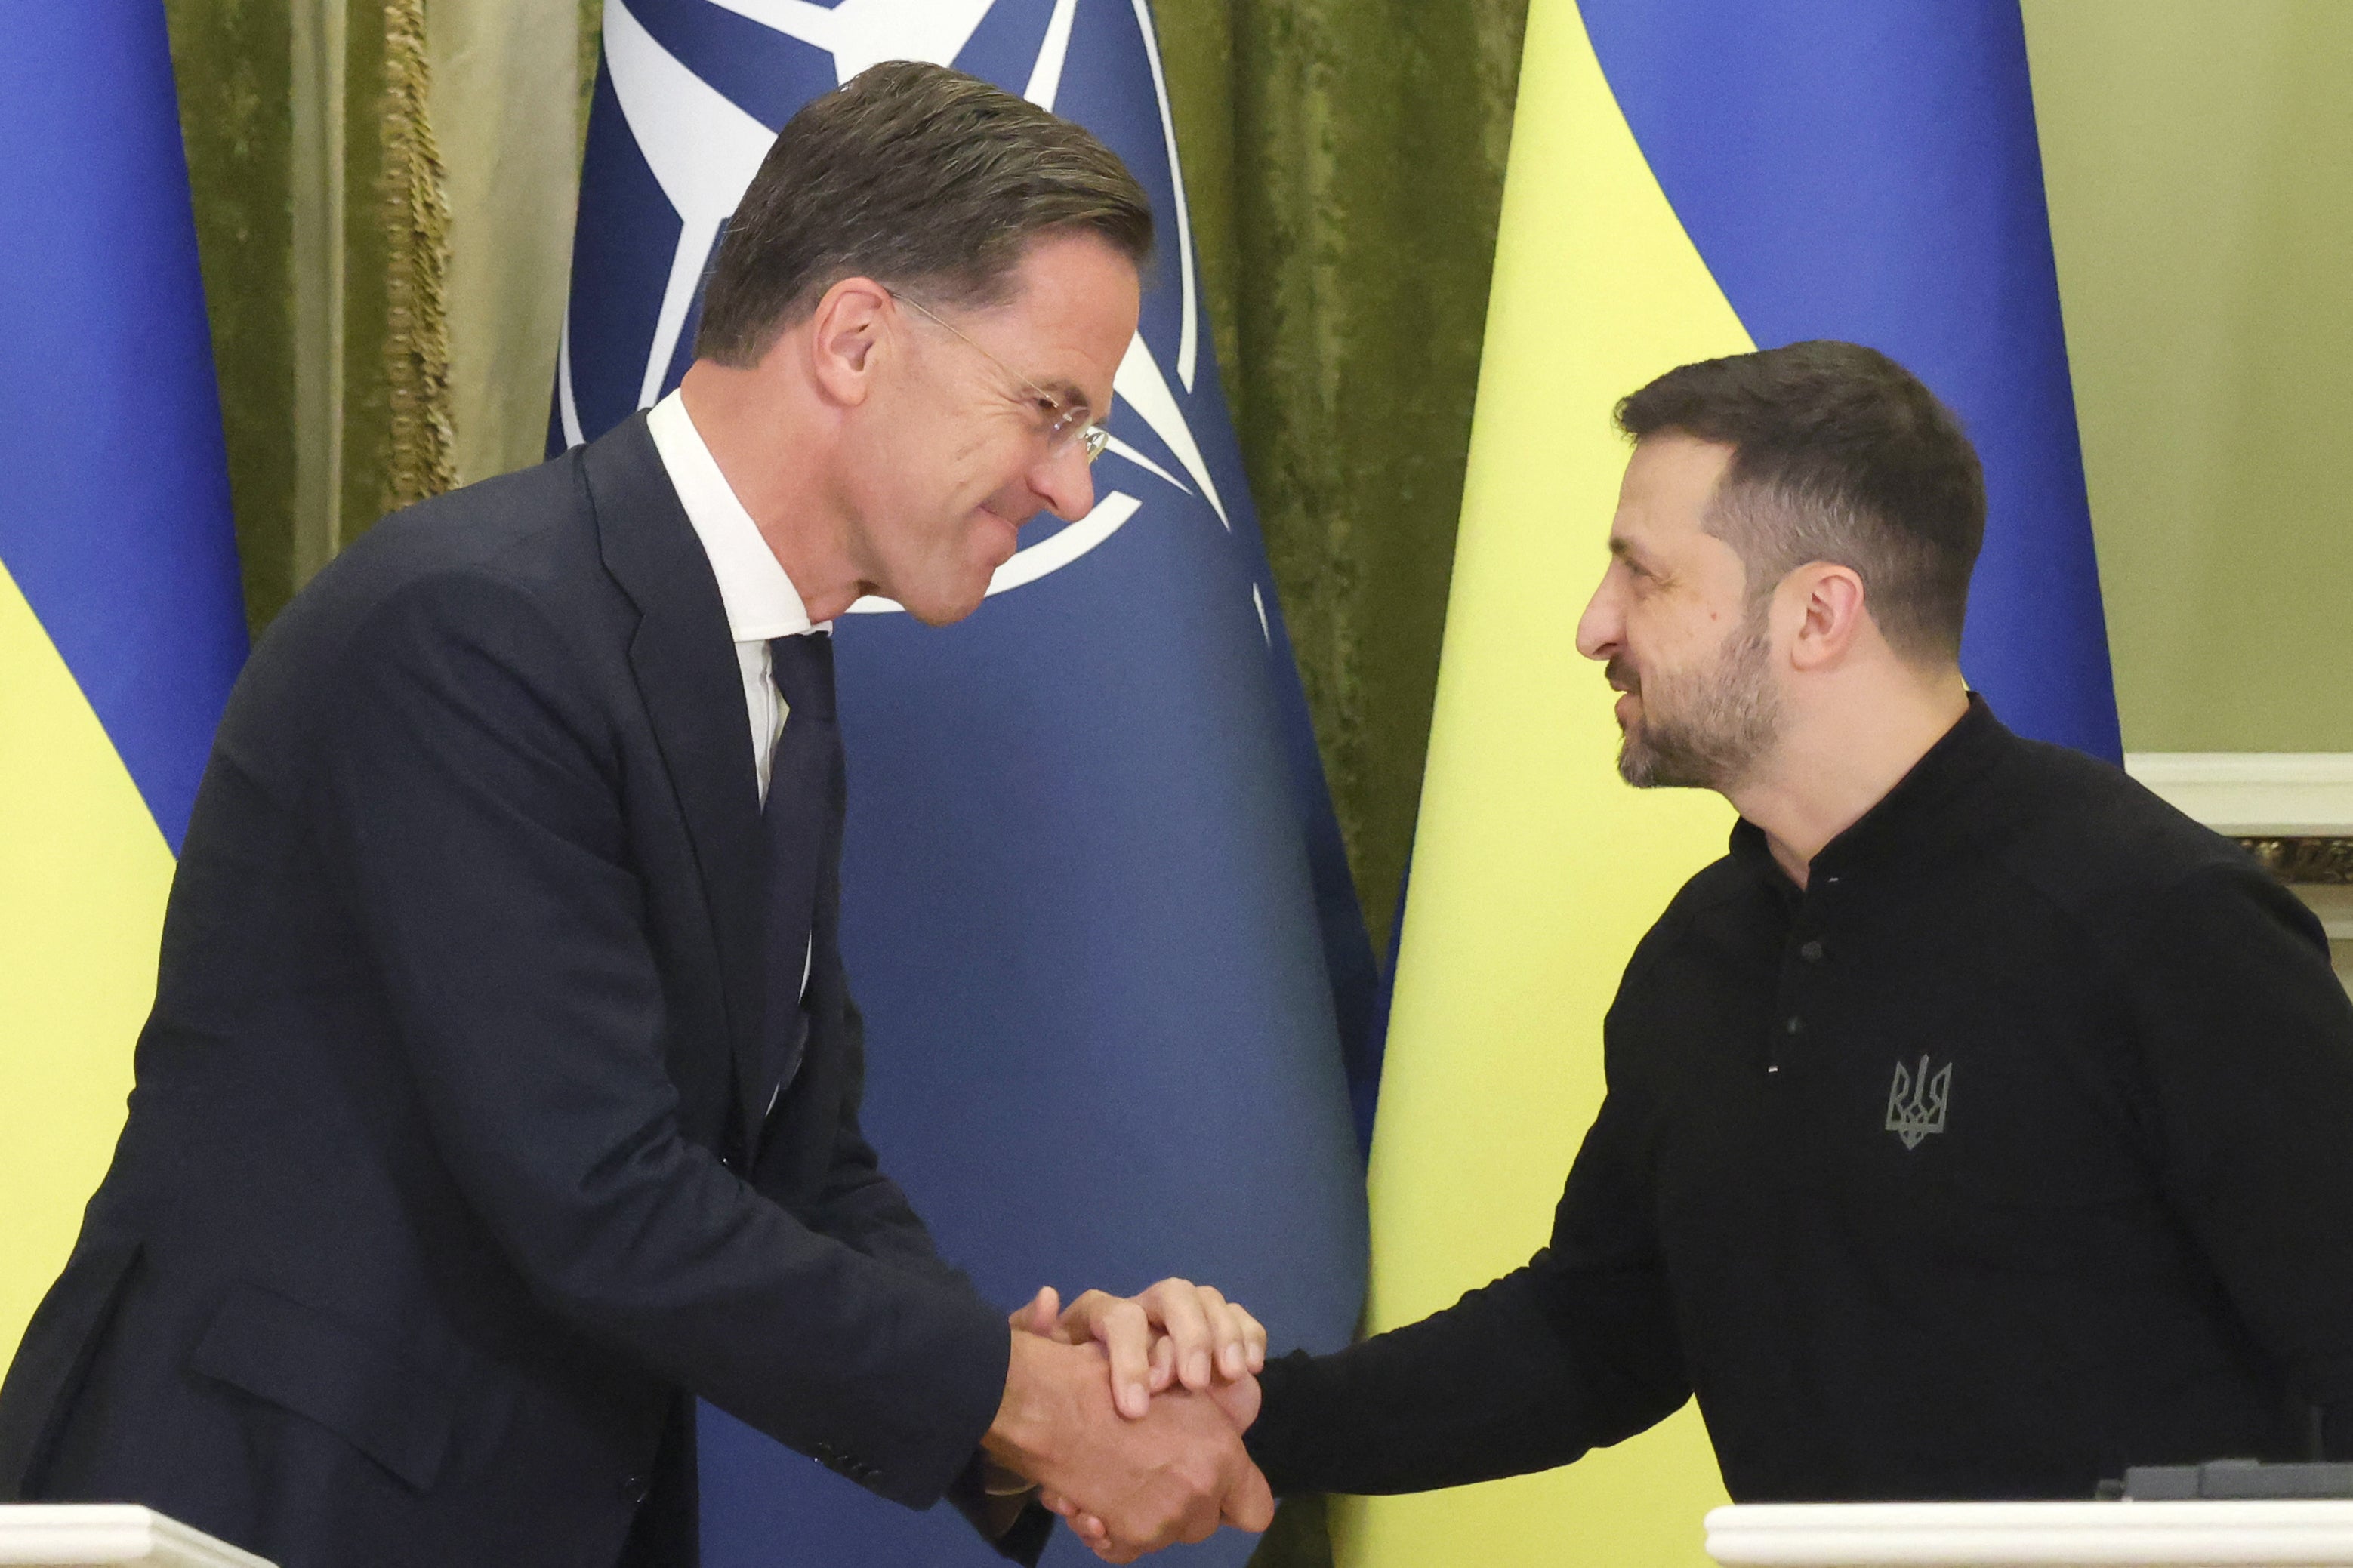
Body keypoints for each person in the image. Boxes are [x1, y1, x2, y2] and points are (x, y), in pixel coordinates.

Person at [0, 63, 1267, 1568]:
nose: (1069, 487)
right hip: (260, 1510)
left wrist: (1047, 1391)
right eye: (1048, 408)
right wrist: (1024, 1404)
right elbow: (599, 1190)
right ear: (854, 339)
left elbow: (800, 1170)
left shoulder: (765, 672)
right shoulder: (477, 630)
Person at [1062, 340, 2353, 1554]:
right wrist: (1249, 1419)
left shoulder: (2161, 922)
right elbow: (1595, 1331)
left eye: (1644, 573)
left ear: (1817, 615)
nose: (1592, 624)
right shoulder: (1705, 952)